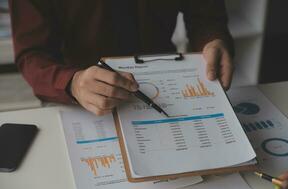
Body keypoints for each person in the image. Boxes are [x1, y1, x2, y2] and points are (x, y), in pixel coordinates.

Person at [9, 0, 234, 116]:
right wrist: (72, 83)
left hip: (165, 84)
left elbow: (206, 16)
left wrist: (212, 40)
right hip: (80, 98)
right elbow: (32, 54)